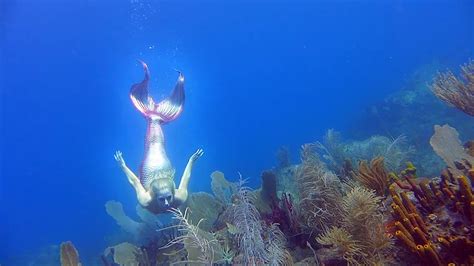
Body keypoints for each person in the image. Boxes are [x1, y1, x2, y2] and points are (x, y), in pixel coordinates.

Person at [114, 61, 203, 214]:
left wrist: (122, 166)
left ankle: (153, 118)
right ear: (154, 196)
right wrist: (191, 161)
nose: (167, 203)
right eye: (163, 199)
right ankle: (155, 118)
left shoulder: (146, 200)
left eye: (167, 197)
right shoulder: (179, 197)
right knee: (158, 146)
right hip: (165, 169)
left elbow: (135, 181)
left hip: (150, 171)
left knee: (152, 146)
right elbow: (185, 178)